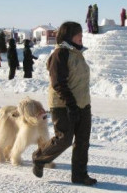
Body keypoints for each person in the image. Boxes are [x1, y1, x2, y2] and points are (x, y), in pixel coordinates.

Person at [32, 22, 97, 186]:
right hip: (63, 105)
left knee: (82, 141)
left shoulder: (77, 53)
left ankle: (80, 175)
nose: (82, 37)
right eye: (78, 34)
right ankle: (39, 158)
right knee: (64, 139)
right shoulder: (60, 53)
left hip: (83, 104)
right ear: (69, 36)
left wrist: (82, 104)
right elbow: (58, 82)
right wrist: (71, 104)